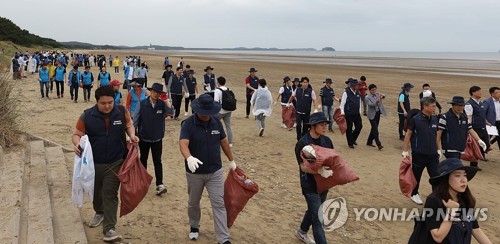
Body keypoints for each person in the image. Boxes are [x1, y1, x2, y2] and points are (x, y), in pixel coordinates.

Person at [72, 85, 139, 242]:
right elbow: (77, 134)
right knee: (96, 192)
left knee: (110, 194)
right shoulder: (87, 116)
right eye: (103, 103)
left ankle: (109, 229)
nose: (108, 106)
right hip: (93, 164)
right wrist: (77, 145)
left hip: (116, 162)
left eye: (110, 102)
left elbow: (129, 125)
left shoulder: (121, 112)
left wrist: (132, 135)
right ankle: (99, 212)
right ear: (97, 102)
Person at [179, 93, 236, 244]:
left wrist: (231, 160)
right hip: (195, 173)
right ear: (197, 110)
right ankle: (194, 226)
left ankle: (223, 238)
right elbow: (183, 143)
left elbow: (224, 142)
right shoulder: (188, 124)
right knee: (193, 202)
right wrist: (189, 157)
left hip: (215, 171)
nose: (206, 116)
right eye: (204, 113)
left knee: (218, 203)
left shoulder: (216, 122)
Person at [421, 158, 492, 244]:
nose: (464, 180)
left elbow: (475, 229)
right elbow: (437, 237)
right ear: (446, 179)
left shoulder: (464, 200)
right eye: (458, 175)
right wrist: (451, 213)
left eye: (465, 175)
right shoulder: (434, 201)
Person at [294, 112, 334, 244]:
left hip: (323, 184)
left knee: (314, 210)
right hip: (309, 185)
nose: (325, 127)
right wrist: (319, 171)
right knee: (318, 219)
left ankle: (302, 231)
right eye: (322, 125)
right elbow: (303, 167)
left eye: (325, 124)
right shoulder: (302, 143)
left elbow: (332, 160)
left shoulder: (327, 141)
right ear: (313, 126)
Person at [134, 83, 171, 196]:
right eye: (154, 91)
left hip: (157, 138)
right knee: (143, 160)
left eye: (159, 92)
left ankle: (159, 185)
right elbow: (135, 120)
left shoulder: (161, 104)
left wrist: (166, 101)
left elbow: (171, 112)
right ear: (150, 91)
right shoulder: (142, 104)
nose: (156, 94)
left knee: (157, 161)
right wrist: (133, 136)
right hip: (144, 138)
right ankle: (143, 183)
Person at [402, 96, 439, 205]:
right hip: (419, 154)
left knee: (436, 176)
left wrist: (439, 149)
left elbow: (436, 135)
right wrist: (405, 150)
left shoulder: (434, 118)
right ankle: (414, 193)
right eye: (432, 106)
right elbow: (408, 134)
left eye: (435, 106)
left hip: (433, 154)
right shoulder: (415, 119)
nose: (434, 108)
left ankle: (436, 196)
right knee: (416, 175)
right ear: (425, 106)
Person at [437, 96, 487, 164]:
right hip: (449, 149)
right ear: (453, 105)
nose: (460, 108)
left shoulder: (464, 117)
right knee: (457, 167)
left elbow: (470, 129)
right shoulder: (445, 117)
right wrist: (439, 149)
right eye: (458, 106)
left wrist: (479, 140)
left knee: (454, 169)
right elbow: (438, 134)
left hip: (460, 148)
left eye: (462, 106)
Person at [464, 86, 491, 161]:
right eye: (479, 91)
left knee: (487, 144)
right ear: (473, 93)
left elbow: (482, 115)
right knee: (475, 146)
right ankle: (474, 162)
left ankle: (481, 156)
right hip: (475, 128)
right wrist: (469, 129)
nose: (480, 93)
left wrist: (486, 122)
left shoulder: (481, 103)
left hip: (482, 127)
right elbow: (469, 117)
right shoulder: (469, 104)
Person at [340, 78, 363, 148]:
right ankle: (350, 143)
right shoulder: (346, 93)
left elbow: (359, 103)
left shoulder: (358, 92)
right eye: (356, 85)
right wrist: (342, 112)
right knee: (349, 128)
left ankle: (352, 139)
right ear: (352, 86)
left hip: (356, 113)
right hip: (349, 113)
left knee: (359, 126)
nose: (357, 86)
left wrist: (360, 111)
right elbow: (342, 104)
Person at [214, 76, 234, 147]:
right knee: (228, 126)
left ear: (218, 83)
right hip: (228, 110)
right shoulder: (229, 89)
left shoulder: (217, 90)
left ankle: (216, 140)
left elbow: (216, 101)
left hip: (220, 111)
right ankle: (230, 142)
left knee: (215, 125)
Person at [365, 84, 386, 150]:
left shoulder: (377, 94)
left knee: (374, 128)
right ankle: (379, 144)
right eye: (372, 90)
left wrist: (383, 96)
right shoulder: (367, 97)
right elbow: (371, 105)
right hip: (371, 115)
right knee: (375, 130)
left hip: (377, 114)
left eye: (375, 89)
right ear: (370, 90)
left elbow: (383, 96)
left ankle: (369, 141)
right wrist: (376, 102)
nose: (374, 91)